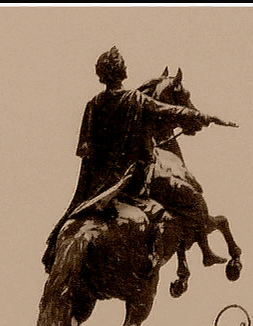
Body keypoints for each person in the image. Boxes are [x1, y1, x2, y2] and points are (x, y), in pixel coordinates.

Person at [42, 47, 234, 271]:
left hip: (96, 185)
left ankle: (54, 249)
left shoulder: (92, 105)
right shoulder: (134, 99)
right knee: (182, 209)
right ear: (122, 72)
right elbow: (170, 111)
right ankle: (163, 256)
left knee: (71, 218)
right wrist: (204, 117)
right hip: (132, 178)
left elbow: (85, 150)